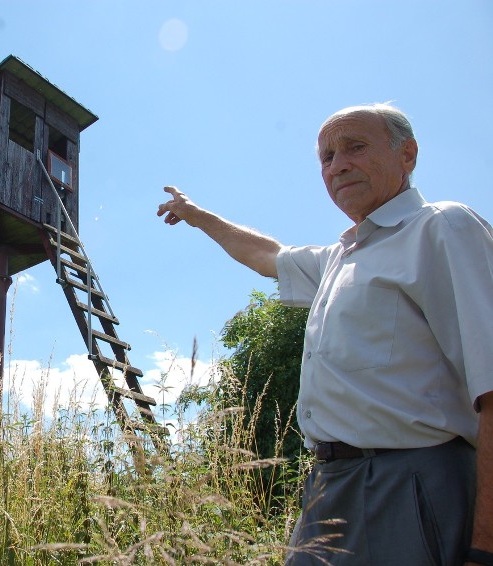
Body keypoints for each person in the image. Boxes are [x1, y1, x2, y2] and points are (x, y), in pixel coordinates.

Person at [157, 103, 493, 565]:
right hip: (327, 488)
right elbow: (267, 255)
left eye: (355, 147)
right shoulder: (340, 258)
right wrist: (197, 216)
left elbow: (492, 388)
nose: (338, 166)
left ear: (408, 155)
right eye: (327, 157)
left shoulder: (441, 227)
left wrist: (485, 546)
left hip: (411, 482)